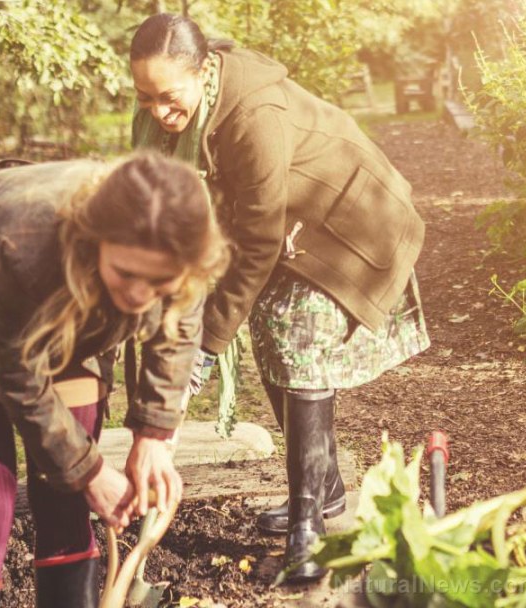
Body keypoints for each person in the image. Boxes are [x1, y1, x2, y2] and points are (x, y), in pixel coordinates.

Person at [128, 14, 431, 584]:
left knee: (296, 345)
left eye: (169, 97)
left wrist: (207, 347)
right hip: (287, 224)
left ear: (203, 71)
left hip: (348, 221)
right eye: (144, 97)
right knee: (273, 340)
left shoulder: (252, 115)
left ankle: (309, 531)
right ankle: (327, 491)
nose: (157, 113)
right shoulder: (172, 116)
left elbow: (260, 239)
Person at [0, 152, 230, 607]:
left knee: (64, 496)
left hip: (59, 315)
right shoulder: (23, 246)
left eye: (157, 282)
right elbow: (21, 378)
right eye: (127, 273)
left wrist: (152, 434)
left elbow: (178, 329)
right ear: (96, 241)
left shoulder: (177, 244)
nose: (137, 296)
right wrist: (91, 470)